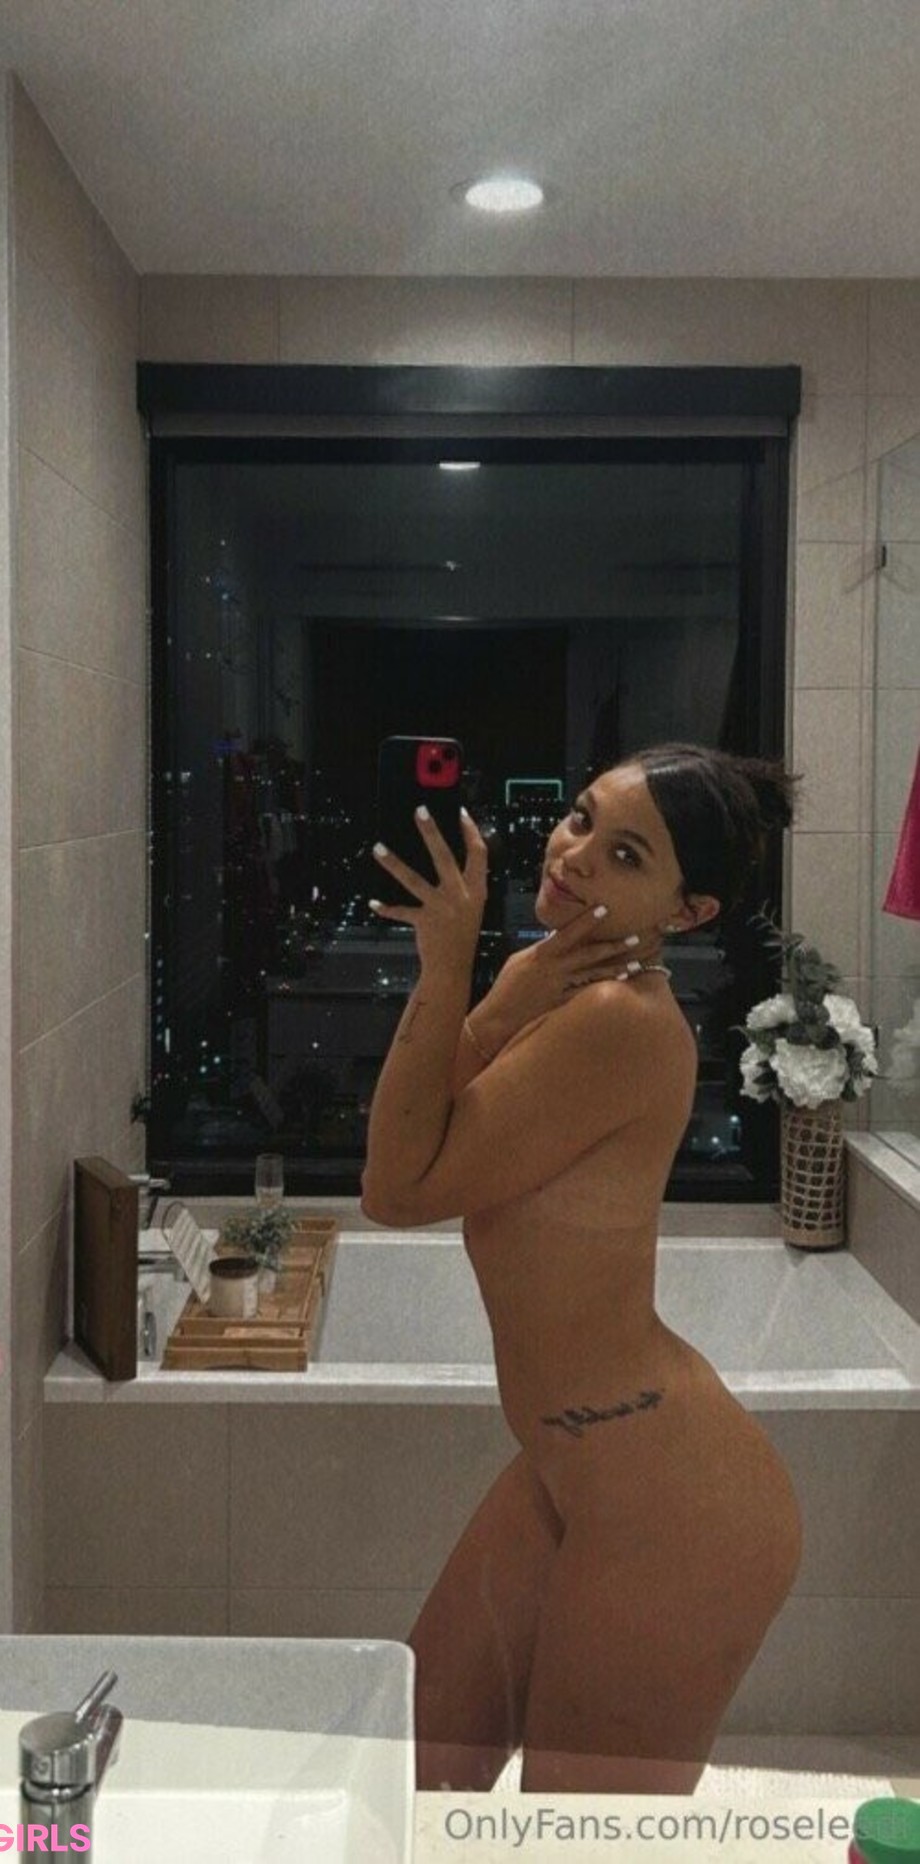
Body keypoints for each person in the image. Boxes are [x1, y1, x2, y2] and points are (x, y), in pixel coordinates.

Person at [360, 741, 804, 1797]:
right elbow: (420, 1147)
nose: (575, 855)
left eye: (626, 853)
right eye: (581, 818)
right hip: (572, 1468)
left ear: (688, 911)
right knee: (413, 1778)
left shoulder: (619, 1023)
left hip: (672, 1508)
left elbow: (398, 1187)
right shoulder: (566, 994)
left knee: (575, 1839)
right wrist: (501, 996)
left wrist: (447, 968)